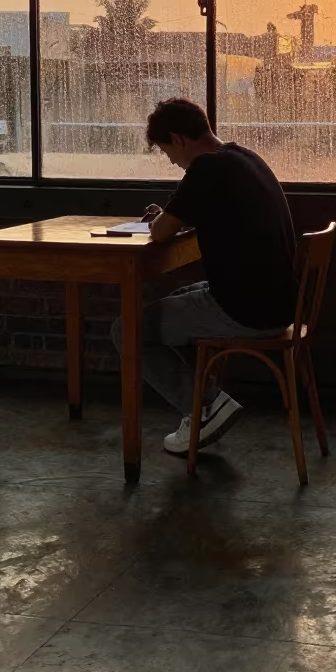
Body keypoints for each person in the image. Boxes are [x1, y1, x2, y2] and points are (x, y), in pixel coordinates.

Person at [111, 98, 297, 456]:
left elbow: (162, 233)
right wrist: (169, 215)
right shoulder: (244, 157)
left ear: (179, 139)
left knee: (126, 329)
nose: (171, 162)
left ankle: (204, 408)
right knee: (179, 297)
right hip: (280, 301)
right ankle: (207, 399)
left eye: (168, 152)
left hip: (247, 310)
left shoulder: (205, 169)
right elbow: (206, 213)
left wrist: (163, 219)